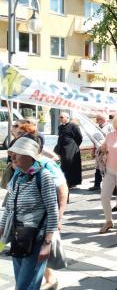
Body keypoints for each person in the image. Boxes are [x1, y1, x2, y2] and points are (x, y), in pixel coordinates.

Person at [0, 137, 59, 290]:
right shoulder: (17, 176)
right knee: (21, 283)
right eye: (12, 153)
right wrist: (1, 229)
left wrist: (47, 243)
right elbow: (9, 207)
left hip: (36, 238)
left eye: (17, 154)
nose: (12, 157)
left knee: (27, 285)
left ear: (29, 156)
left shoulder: (43, 176)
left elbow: (53, 210)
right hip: (18, 236)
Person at [54, 112, 83, 188]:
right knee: (64, 165)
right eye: (59, 117)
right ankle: (65, 181)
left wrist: (74, 146)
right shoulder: (60, 127)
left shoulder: (74, 126)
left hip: (71, 149)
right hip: (62, 148)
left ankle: (71, 182)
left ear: (67, 117)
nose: (60, 119)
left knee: (70, 164)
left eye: (61, 117)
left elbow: (79, 138)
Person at [89, 114, 114, 191]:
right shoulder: (97, 128)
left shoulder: (110, 127)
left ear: (102, 119)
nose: (96, 121)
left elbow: (112, 138)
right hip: (98, 150)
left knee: (105, 168)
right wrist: (93, 150)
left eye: (98, 119)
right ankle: (97, 184)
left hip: (106, 150)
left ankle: (109, 186)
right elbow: (95, 140)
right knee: (97, 168)